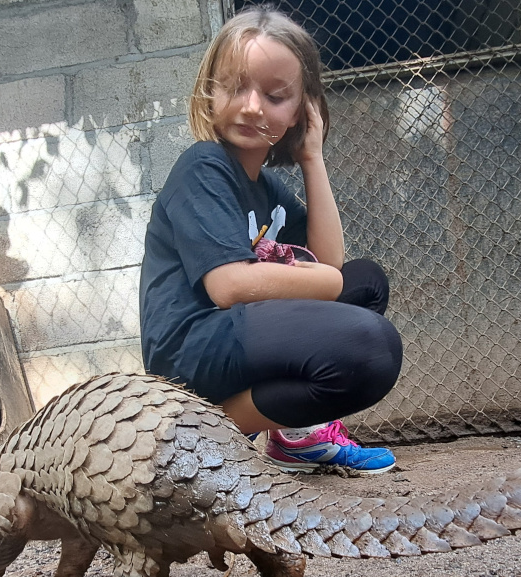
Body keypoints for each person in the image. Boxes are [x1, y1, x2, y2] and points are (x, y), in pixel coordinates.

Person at [139, 6, 403, 475]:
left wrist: (312, 158)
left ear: (301, 110)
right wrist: (326, 282)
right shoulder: (203, 166)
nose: (252, 106)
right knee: (372, 349)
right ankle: (201, 436)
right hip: (188, 347)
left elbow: (331, 262)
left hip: (235, 336)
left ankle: (295, 438)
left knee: (366, 282)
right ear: (209, 92)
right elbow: (229, 286)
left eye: (275, 95)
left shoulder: (266, 188)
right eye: (234, 87)